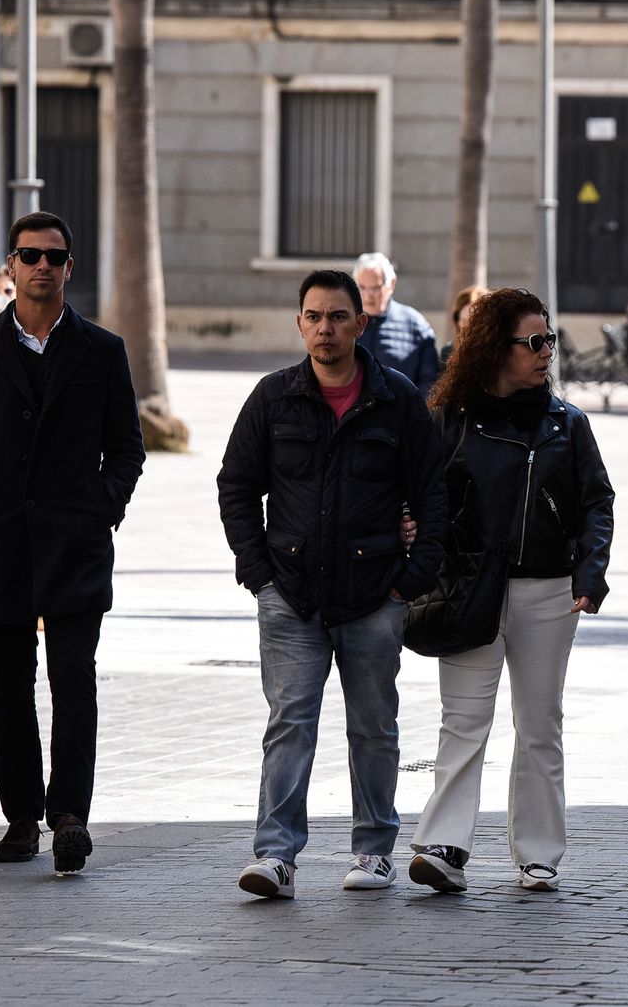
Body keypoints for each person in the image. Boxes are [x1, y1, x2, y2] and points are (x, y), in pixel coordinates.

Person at [218, 268, 448, 900]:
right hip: (290, 594)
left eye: (338, 317)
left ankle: (373, 853)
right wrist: (257, 571)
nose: (326, 328)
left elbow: (432, 492)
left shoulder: (397, 399)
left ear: (361, 323)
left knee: (374, 727)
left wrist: (412, 578)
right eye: (314, 317)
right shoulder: (272, 398)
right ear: (300, 324)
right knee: (290, 723)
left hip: (376, 596)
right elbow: (236, 485)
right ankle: (275, 855)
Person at [0, 212, 145, 873]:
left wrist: (100, 510)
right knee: (10, 685)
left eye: (55, 255)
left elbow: (127, 449)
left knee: (74, 681)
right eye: (30, 255)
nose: (43, 265)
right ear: (11, 266)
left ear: (69, 267)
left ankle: (69, 815)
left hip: (75, 546)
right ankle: (22, 815)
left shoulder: (102, 350)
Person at [408, 288, 615, 895]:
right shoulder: (450, 417)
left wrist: (590, 570)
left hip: (550, 592)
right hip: (470, 588)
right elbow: (420, 495)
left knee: (539, 723)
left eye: (549, 339)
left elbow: (596, 502)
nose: (547, 351)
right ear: (496, 348)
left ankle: (539, 853)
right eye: (535, 342)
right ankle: (444, 844)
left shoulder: (567, 424)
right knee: (464, 719)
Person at [354, 251, 440, 398]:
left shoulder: (416, 325)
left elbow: (430, 382)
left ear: (391, 284)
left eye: (375, 288)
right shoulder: (344, 322)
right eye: (361, 287)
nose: (368, 295)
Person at [438, 284, 484, 372]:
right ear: (458, 321)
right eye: (465, 321)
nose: (470, 328)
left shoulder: (500, 350)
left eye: (476, 321)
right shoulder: (448, 351)